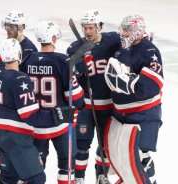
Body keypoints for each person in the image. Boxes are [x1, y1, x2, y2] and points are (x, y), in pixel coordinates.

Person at [21, 20, 84, 184]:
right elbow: (75, 97)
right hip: (60, 123)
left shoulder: (27, 60)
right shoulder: (63, 61)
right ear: (54, 38)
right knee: (67, 166)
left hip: (35, 124)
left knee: (36, 168)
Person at [0, 38, 45, 184]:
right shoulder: (20, 79)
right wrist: (58, 116)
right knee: (36, 179)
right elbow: (28, 114)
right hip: (16, 135)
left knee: (9, 178)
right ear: (19, 55)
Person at [104, 15, 163, 184]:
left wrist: (128, 84)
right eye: (122, 29)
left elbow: (152, 84)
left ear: (137, 31)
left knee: (140, 155)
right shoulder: (123, 49)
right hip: (123, 115)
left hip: (144, 116)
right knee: (124, 158)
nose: (123, 33)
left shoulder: (149, 50)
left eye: (126, 29)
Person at [66, 10, 121, 183]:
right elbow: (68, 70)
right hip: (86, 107)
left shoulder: (113, 41)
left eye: (91, 27)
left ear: (100, 27)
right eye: (85, 28)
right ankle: (80, 178)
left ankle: (102, 176)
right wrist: (80, 61)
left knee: (105, 145)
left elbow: (128, 48)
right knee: (81, 145)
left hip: (108, 106)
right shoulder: (76, 47)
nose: (88, 31)